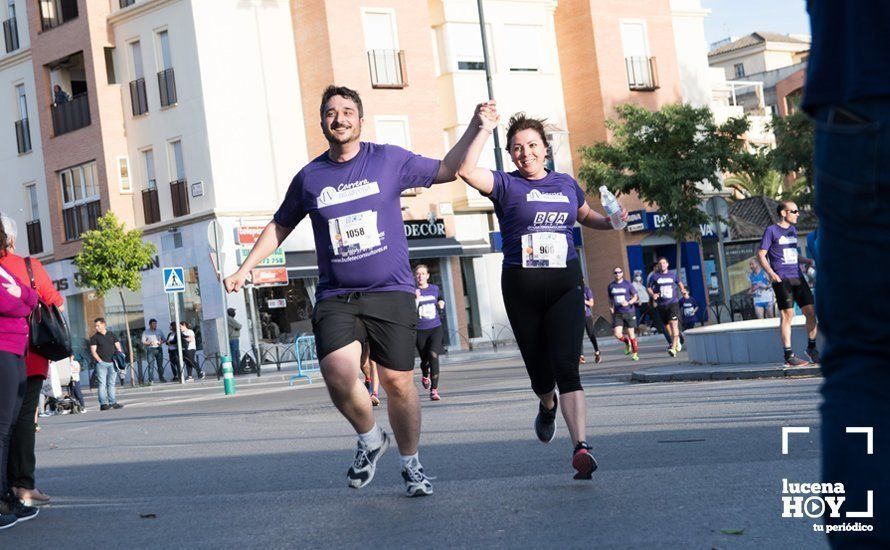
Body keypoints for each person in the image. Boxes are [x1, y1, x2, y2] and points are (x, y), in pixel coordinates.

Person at [224, 85, 487, 497]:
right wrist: (245, 268)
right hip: (337, 295)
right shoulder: (310, 177)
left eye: (348, 111)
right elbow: (280, 225)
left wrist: (475, 127)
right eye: (331, 112)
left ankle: (411, 465)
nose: (340, 118)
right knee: (337, 371)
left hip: (391, 290)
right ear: (323, 121)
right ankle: (369, 438)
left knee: (399, 383)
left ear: (360, 120)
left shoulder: (388, 159)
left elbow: (448, 169)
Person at [457, 107, 627, 480]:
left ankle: (581, 447)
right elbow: (466, 170)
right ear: (511, 154)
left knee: (567, 367)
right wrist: (483, 129)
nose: (526, 153)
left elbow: (585, 216)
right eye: (517, 148)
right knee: (540, 375)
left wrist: (612, 221)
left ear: (545, 148)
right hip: (522, 290)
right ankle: (546, 404)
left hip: (565, 286)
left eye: (532, 145)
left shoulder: (565, 183)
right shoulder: (505, 184)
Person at [0, 213, 64, 508]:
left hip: (10, 352)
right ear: (11, 239)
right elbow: (52, 299)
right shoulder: (28, 266)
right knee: (23, 421)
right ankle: (22, 484)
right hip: (30, 355)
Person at [0, 228, 40, 529]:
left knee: (10, 427)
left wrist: (24, 299)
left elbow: (32, 298)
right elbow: (11, 304)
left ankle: (6, 494)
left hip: (16, 352)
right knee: (2, 429)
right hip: (3, 351)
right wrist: (23, 301)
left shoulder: (3, 269)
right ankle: (2, 499)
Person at [757, 201, 819, 367]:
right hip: (782, 278)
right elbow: (761, 255)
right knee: (787, 316)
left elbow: (791, 253)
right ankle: (788, 355)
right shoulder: (771, 231)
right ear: (784, 213)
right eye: (794, 211)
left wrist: (806, 260)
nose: (798, 214)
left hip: (798, 276)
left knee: (811, 312)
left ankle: (812, 349)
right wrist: (771, 273)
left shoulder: (792, 230)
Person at [413, 264, 445, 400]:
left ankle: (434, 389)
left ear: (427, 275)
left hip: (435, 328)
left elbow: (440, 298)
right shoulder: (412, 291)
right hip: (420, 330)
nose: (420, 276)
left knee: (433, 356)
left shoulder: (434, 289)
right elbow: (409, 311)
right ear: (415, 276)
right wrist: (414, 298)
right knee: (425, 360)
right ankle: (425, 374)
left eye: (423, 273)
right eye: (418, 274)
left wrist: (442, 303)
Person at [647, 258, 685, 357]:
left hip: (673, 303)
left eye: (664, 263)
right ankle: (677, 342)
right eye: (660, 263)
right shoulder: (655, 276)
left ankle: (673, 347)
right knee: (668, 328)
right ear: (658, 266)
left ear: (667, 264)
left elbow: (679, 282)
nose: (662, 265)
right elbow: (649, 288)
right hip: (661, 305)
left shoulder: (673, 275)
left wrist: (683, 290)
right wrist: (653, 295)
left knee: (674, 326)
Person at [89, 318, 124, 410]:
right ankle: (103, 404)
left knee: (111, 383)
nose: (96, 328)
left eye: (98, 325)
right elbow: (93, 351)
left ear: (103, 324)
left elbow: (118, 346)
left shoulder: (112, 334)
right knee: (102, 384)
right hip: (101, 364)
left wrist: (119, 354)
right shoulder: (94, 337)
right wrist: (100, 361)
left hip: (113, 363)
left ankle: (113, 402)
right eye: (95, 326)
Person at [607, 267, 639, 361]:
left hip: (629, 312)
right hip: (618, 313)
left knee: (631, 334)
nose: (617, 274)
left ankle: (635, 354)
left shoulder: (628, 284)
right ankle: (627, 342)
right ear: (613, 274)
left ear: (622, 273)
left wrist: (628, 303)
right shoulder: (611, 286)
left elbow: (635, 297)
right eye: (615, 272)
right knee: (617, 334)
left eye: (619, 272)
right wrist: (611, 307)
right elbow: (610, 299)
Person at [579, 285, 601, 364]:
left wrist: (583, 300)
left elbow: (591, 303)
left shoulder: (586, 290)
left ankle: (597, 351)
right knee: (579, 336)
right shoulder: (573, 290)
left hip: (587, 316)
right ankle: (581, 356)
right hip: (577, 317)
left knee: (591, 335)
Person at [141, 319, 165, 383]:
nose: (155, 325)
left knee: (160, 365)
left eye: (156, 324)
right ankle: (151, 380)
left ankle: (161, 378)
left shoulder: (159, 331)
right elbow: (143, 342)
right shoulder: (145, 332)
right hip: (150, 349)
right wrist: (149, 343)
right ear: (150, 324)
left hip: (159, 349)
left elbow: (164, 339)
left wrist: (161, 342)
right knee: (150, 365)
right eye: (154, 324)